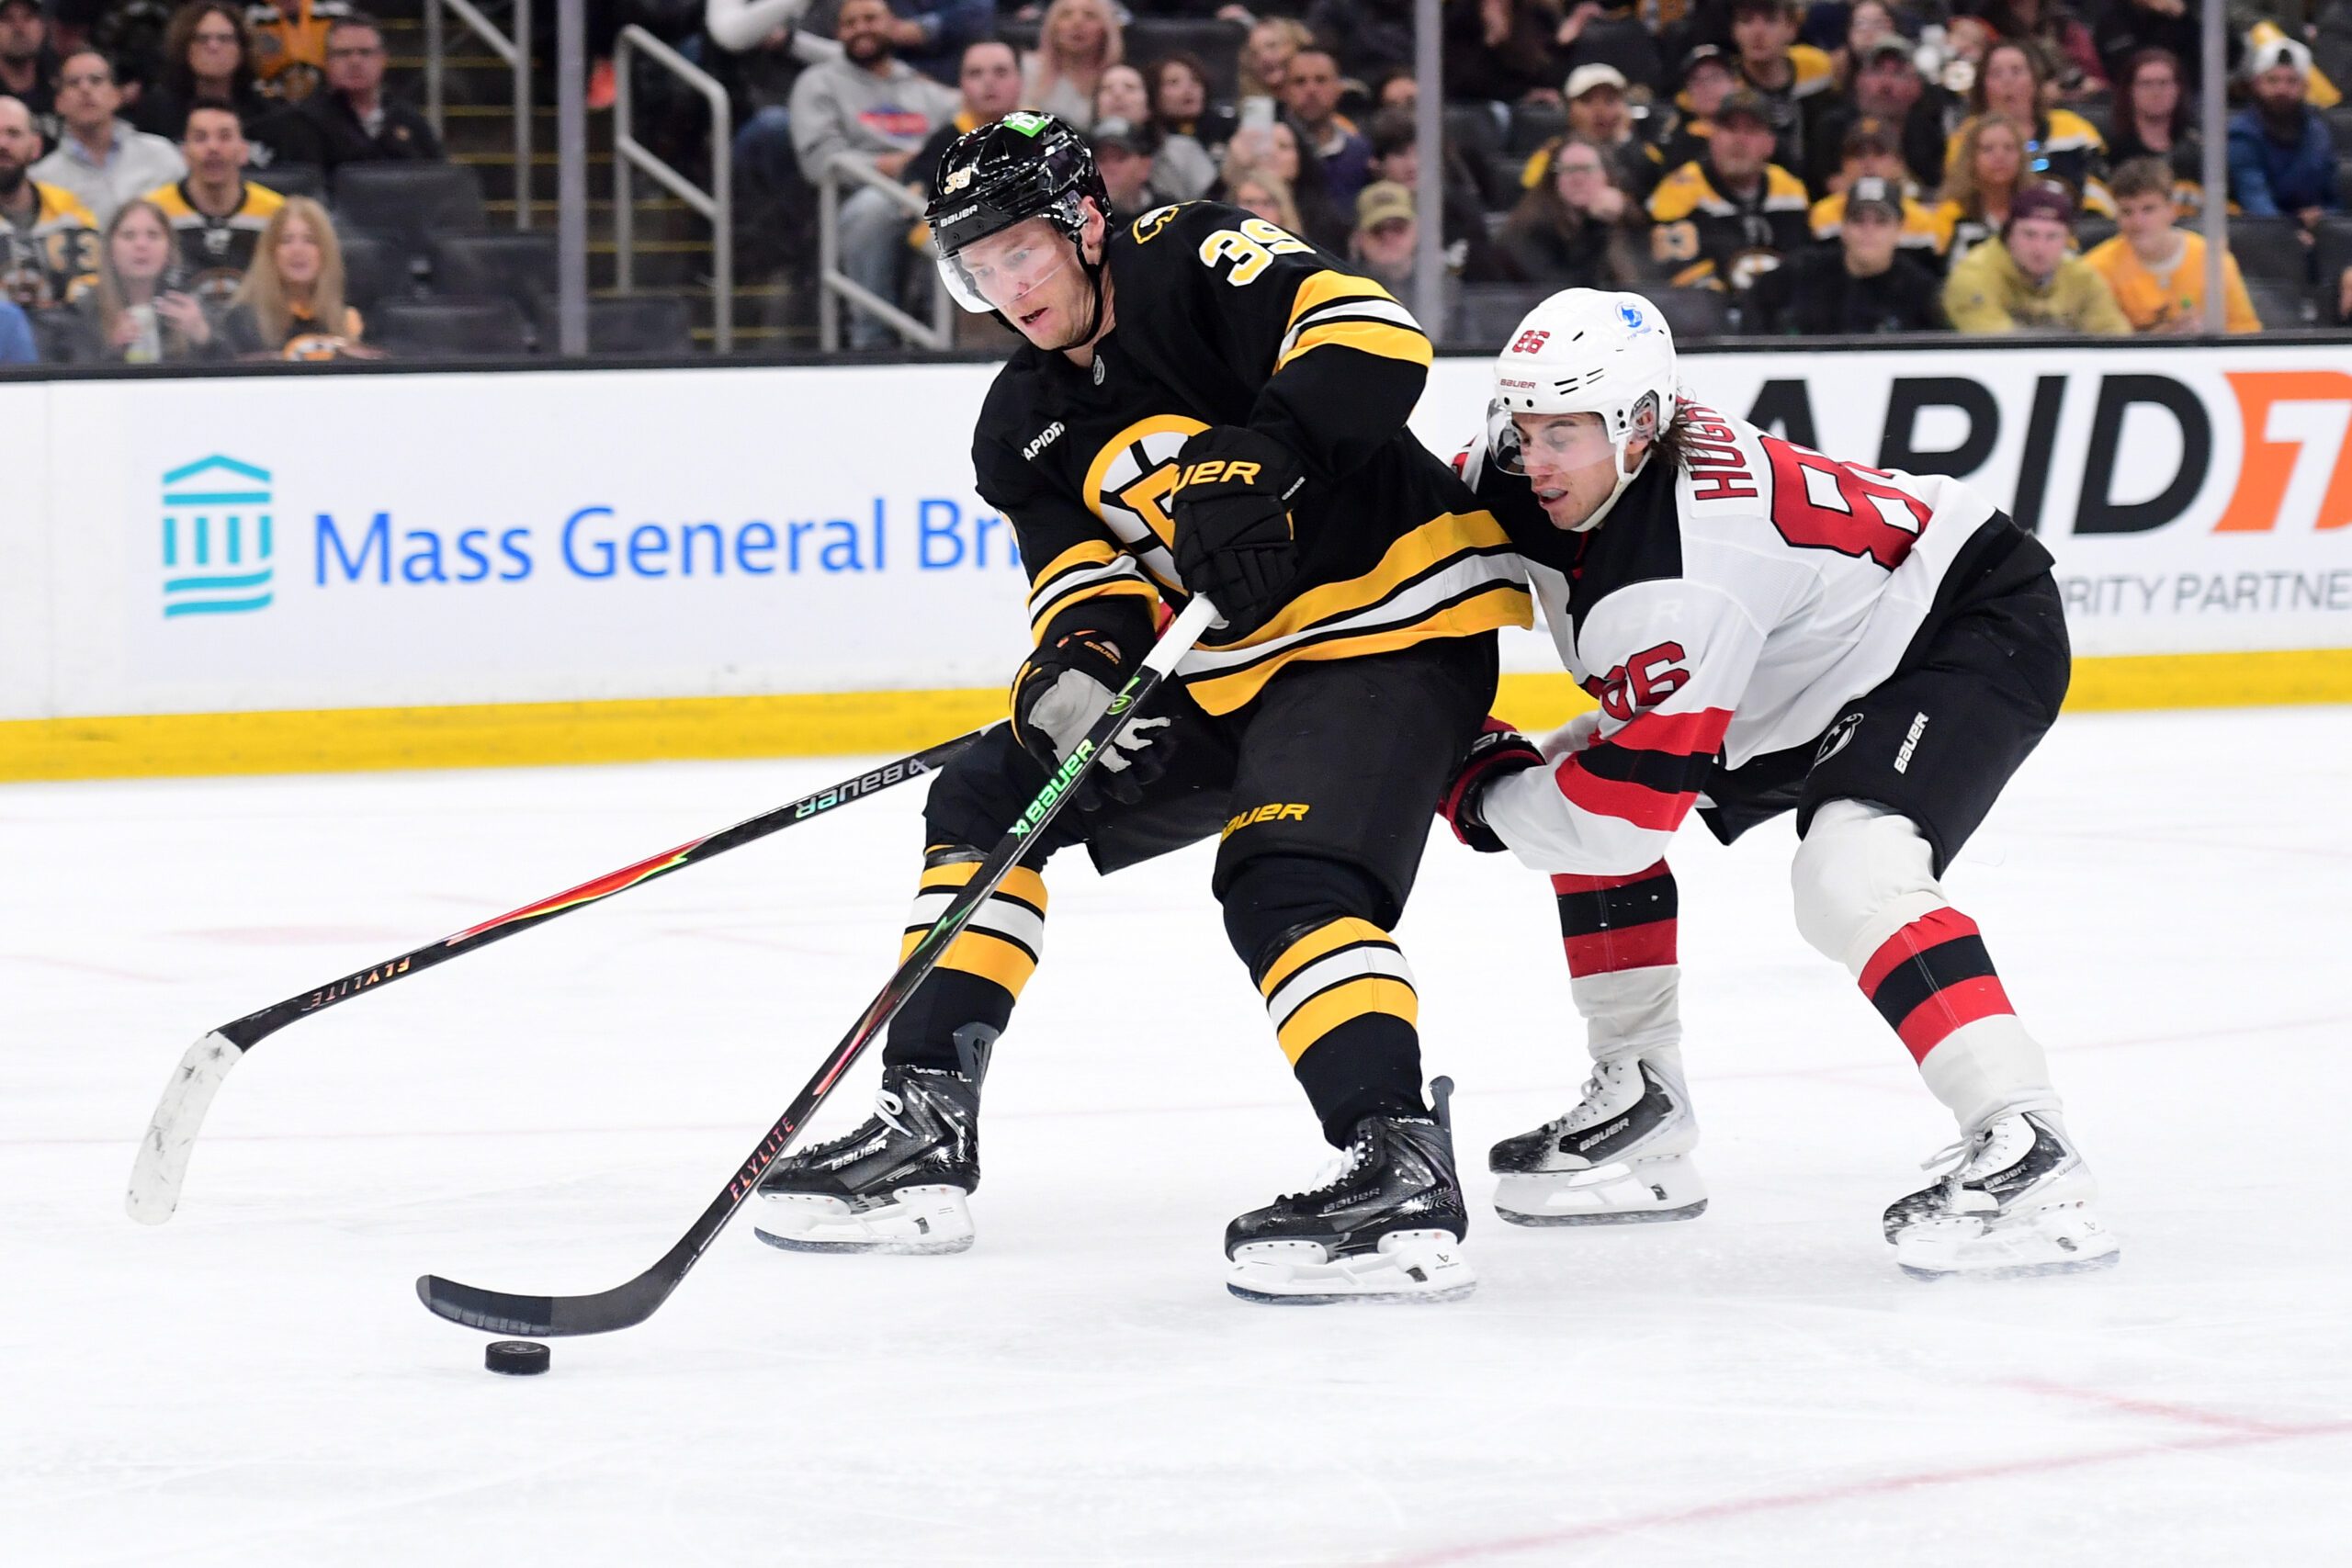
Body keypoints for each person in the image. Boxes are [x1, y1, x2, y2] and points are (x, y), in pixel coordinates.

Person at [755, 112, 1532, 1304]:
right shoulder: (1018, 423)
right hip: (1226, 675)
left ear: (1083, 223)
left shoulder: (1192, 256)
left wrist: (1263, 452)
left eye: (1021, 248)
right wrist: (1077, 666)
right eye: (977, 264)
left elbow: (1376, 335)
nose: (1007, 288)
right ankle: (924, 1125)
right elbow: (1083, 583)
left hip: (1390, 632)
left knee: (1285, 872)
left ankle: (1398, 1161)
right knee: (988, 790)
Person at [1436, 286, 2116, 1281]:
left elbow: (1621, 825)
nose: (1534, 460)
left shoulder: (1682, 569)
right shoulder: (1561, 467)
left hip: (1954, 625)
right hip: (1800, 658)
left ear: (1638, 428)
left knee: (1849, 870)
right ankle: (1641, 1096)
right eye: (1524, 425)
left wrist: (1478, 793)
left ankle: (2029, 1147)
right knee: (1580, 785)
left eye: (1564, 434)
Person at [788, 0, 956, 347]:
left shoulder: (922, 88)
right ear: (838, 33)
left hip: (928, 190)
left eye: (871, 18)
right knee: (874, 208)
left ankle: (948, 334)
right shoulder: (818, 82)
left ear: (892, 24)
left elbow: (956, 134)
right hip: (855, 195)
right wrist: (892, 165)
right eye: (851, 22)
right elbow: (820, 161)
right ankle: (872, 337)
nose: (861, 28)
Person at [1645, 88, 1810, 293]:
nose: (1739, 140)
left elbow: (1802, 269)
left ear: (1770, 144)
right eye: (1729, 128)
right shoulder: (1677, 192)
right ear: (1712, 137)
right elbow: (1677, 284)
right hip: (1709, 314)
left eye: (1751, 130)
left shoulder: (1790, 191)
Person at [2085, 156, 2260, 333]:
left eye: (2148, 209)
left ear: (2171, 210)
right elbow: (2101, 346)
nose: (2137, 222)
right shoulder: (2097, 269)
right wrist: (2165, 335)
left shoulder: (2213, 261)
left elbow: (2246, 330)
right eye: (2127, 211)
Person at [1754, 175, 1943, 333]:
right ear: (1843, 227)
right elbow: (1755, 303)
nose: (1868, 230)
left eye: (1881, 222)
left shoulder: (1920, 290)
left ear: (1899, 230)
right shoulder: (1802, 272)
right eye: (1858, 220)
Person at [143, 98, 284, 308]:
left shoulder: (277, 213)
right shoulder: (152, 213)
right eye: (200, 138)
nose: (213, 147)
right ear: (184, 154)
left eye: (225, 137)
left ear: (244, 151)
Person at [1944, 39, 2109, 217]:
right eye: (1996, 73)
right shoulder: (1967, 135)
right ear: (1983, 86)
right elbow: (1957, 194)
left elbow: (2099, 188)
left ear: (2035, 81)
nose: (2007, 81)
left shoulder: (2073, 128)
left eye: (2017, 71)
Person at [1942, 182, 2129, 334]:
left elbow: (2114, 337)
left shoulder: (2082, 277)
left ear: (2067, 240)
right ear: (2009, 235)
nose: (2039, 248)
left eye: (2052, 236)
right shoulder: (1976, 273)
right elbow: (1994, 346)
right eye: (2029, 234)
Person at [266, 13, 443, 174]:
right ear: (327, 61)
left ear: (383, 59)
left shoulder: (408, 119)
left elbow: (438, 179)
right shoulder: (304, 122)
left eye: (365, 53)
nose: (355, 61)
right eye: (343, 53)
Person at [52, 194, 219, 361]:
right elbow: (76, 378)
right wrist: (113, 350)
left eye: (153, 235)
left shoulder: (191, 305)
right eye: (129, 236)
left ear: (169, 249)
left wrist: (204, 338)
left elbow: (230, 374)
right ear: (110, 250)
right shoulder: (86, 311)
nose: (141, 245)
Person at [29, 51, 183, 226]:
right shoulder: (43, 179)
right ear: (59, 103)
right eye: (73, 83)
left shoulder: (161, 155)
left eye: (96, 80)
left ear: (116, 96)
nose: (85, 89)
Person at [219, 194, 366, 356]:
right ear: (271, 252)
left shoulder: (349, 320)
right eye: (286, 240)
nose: (297, 250)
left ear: (325, 252)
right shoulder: (242, 320)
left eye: (310, 240)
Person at [1500, 134, 1642, 287]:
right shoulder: (1528, 232)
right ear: (1554, 180)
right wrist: (1596, 227)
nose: (1578, 179)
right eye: (1569, 170)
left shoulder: (1630, 223)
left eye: (1586, 169)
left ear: (1606, 176)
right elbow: (1566, 292)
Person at [2229, 37, 2341, 225]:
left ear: (2305, 87)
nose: (2282, 89)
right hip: (2259, 236)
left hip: (2316, 232)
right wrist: (2294, 228)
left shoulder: (2318, 132)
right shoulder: (2242, 134)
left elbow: (2334, 201)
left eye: (2292, 81)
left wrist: (2322, 217)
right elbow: (2257, 203)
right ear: (2257, 84)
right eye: (2272, 80)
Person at [0, 95, 97, 312]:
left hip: (64, 340)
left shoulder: (70, 210)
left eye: (13, 133)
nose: (2, 144)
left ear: (35, 146)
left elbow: (91, 293)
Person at [1807, 119, 1945, 266]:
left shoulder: (1922, 221)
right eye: (1858, 155)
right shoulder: (1823, 215)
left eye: (1879, 153)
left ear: (1898, 164)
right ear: (1844, 164)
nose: (1868, 162)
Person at [130, 2, 273, 141]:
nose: (213, 46)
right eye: (202, 39)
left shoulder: (268, 114)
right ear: (184, 47)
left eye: (224, 39)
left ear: (242, 49)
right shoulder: (157, 111)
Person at [1729, 0, 1837, 181]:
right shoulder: (1727, 86)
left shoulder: (1816, 68)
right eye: (1746, 21)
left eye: (1770, 21)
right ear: (1734, 31)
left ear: (1792, 29)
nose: (1758, 32)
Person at [2106, 46, 2203, 213]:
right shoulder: (2109, 151)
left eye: (2164, 83)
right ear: (2130, 91)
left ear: (2178, 89)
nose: (2156, 92)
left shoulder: (2199, 150)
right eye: (2146, 84)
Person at [1927, 111, 2027, 259]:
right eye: (1987, 149)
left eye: (2009, 148)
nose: (2000, 156)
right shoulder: (1952, 213)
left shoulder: (2037, 208)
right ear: (1971, 159)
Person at [1280, 47, 1371, 205]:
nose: (1311, 90)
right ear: (1284, 91)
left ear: (1339, 88)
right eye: (1300, 81)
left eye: (1321, 80)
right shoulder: (1272, 152)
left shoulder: (1361, 153)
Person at [1021, 0, 1120, 130]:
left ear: (1106, 29)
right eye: (1066, 15)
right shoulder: (1026, 70)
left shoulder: (1119, 80)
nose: (1077, 23)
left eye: (1090, 15)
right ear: (1053, 26)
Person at [1146, 51, 1231, 201]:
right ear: (1154, 93)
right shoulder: (1149, 138)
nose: (1188, 89)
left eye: (1195, 81)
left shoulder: (1228, 128)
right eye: (1174, 82)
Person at [1347, 177, 1417, 292]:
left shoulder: (1444, 288)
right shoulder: (1345, 291)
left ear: (1416, 231)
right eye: (1377, 229)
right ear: (1358, 238)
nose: (1388, 237)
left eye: (1398, 227)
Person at [0, 0, 54, 133]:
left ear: (43, 26)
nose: (19, 27)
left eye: (28, 17)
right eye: (7, 18)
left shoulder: (63, 89)